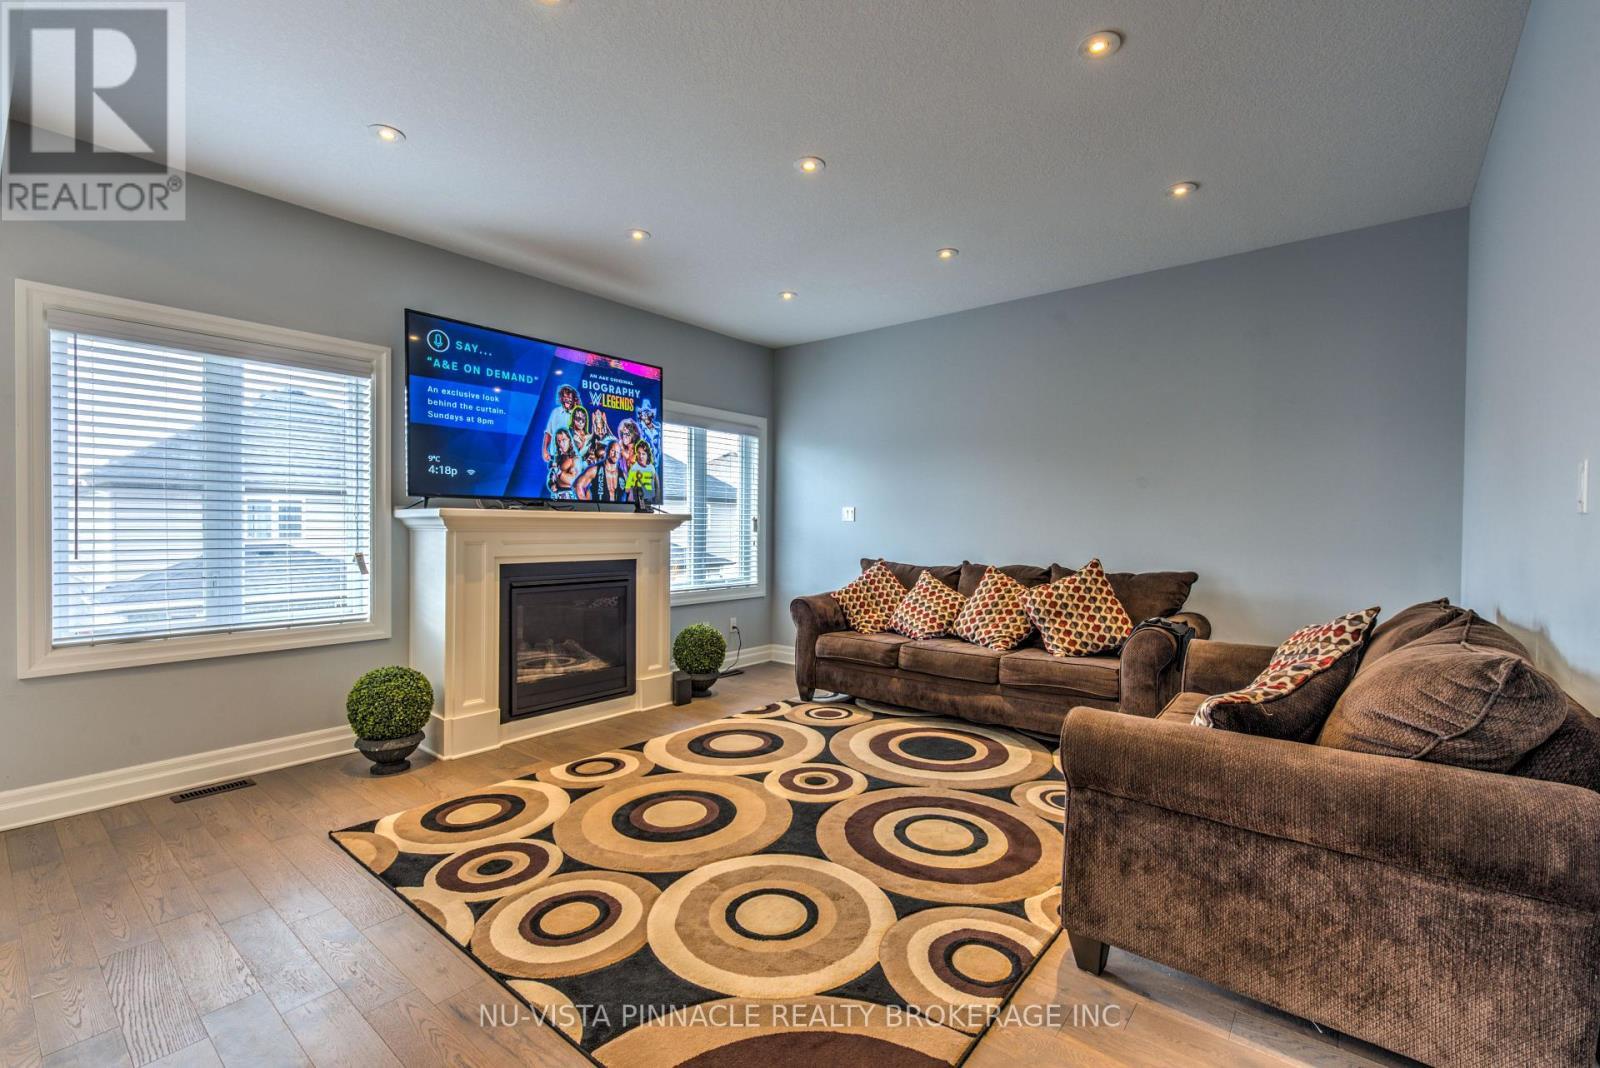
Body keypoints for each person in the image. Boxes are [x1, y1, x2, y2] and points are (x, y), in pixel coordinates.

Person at [541, 385, 579, 463]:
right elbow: (548, 433)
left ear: (574, 399)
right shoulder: (555, 412)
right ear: (561, 399)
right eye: (565, 398)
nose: (567, 401)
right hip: (555, 457)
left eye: (569, 398)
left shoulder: (578, 414)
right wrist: (544, 450)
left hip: (572, 458)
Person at [546, 428, 579, 498]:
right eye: (559, 441)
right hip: (555, 497)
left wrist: (557, 470)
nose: (561, 444)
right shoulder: (558, 458)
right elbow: (551, 476)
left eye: (564, 440)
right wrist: (551, 484)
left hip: (568, 497)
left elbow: (573, 480)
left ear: (569, 440)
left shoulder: (575, 459)